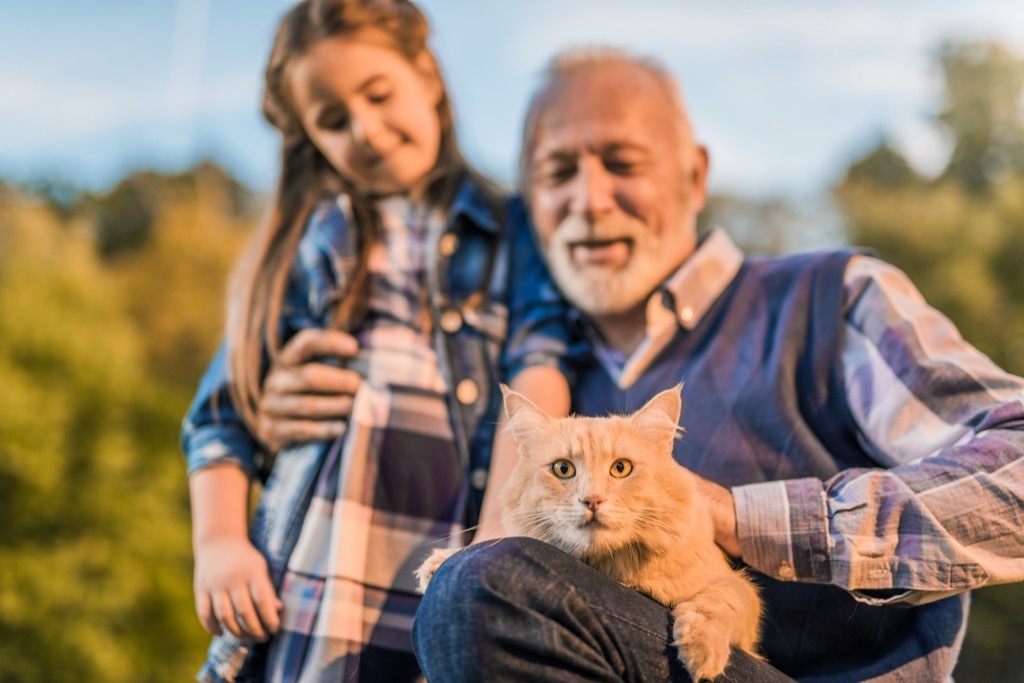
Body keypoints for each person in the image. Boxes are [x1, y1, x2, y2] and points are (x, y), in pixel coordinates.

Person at [261, 46, 1024, 682]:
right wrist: (287, 420)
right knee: (473, 589)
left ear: (694, 175)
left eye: (621, 162)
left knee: (481, 588)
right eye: (558, 174)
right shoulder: (531, 389)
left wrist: (735, 516)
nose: (590, 199)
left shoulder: (831, 300)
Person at [180, 1, 572, 681]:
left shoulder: (516, 235)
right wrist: (218, 543)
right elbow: (219, 419)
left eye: (378, 93)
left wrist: (491, 556)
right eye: (333, 121)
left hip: (434, 579)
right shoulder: (311, 245)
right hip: (309, 585)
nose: (365, 128)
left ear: (426, 73)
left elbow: (538, 371)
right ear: (311, 138)